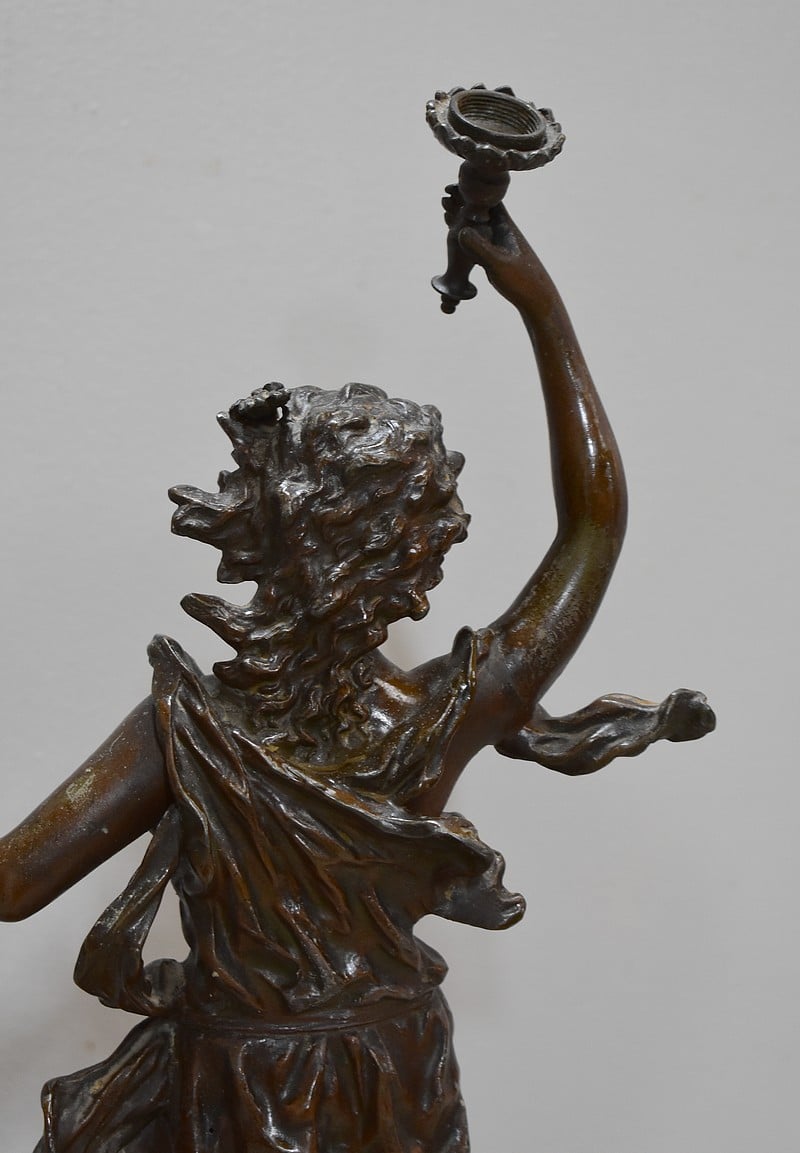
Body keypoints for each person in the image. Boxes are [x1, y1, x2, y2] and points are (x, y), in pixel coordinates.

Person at [0, 200, 715, 1153]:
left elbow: (13, 881)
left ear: (272, 536)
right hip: (400, 1077)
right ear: (410, 551)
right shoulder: (449, 709)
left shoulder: (187, 728)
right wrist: (540, 305)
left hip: (246, 1090)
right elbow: (594, 528)